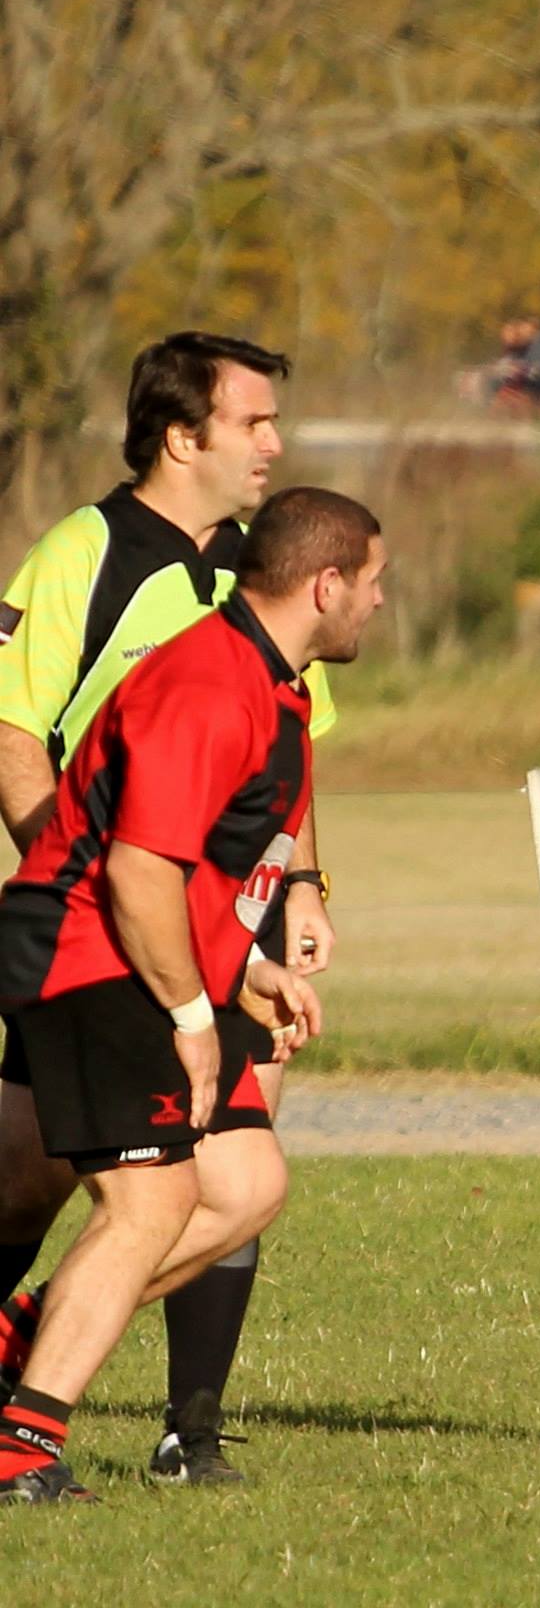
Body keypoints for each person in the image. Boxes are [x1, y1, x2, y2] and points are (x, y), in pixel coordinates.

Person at [0, 486, 385, 1504]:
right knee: (153, 1197)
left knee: (245, 1184)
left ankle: (20, 1341)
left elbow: (198, 867)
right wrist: (190, 1013)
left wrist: (249, 967)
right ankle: (20, 1449)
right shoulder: (211, 681)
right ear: (327, 580)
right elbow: (135, 868)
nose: (379, 604)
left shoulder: (279, 684)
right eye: (374, 582)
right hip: (88, 951)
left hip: (141, 953)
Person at [488, 314, 540, 411]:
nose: (521, 334)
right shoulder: (515, 350)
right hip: (519, 392)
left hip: (535, 393)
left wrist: (522, 370)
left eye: (525, 331)